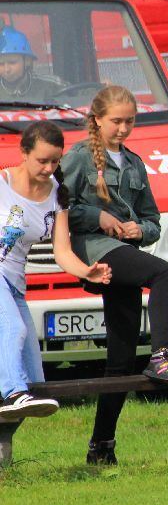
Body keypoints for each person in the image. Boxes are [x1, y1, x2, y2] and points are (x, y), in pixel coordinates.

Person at [62, 85, 168, 466]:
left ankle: (101, 446)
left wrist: (139, 230)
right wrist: (96, 216)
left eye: (129, 121)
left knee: (120, 356)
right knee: (166, 273)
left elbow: (152, 220)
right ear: (97, 119)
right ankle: (163, 356)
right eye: (115, 121)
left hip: (123, 250)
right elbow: (60, 206)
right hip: (94, 249)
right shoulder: (78, 157)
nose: (122, 128)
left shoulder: (134, 163)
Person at [0, 121, 111, 467]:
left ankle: (4, 443)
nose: (49, 169)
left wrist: (86, 270)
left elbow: (61, 252)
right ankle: (12, 392)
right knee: (14, 334)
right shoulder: (2, 183)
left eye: (55, 162)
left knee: (35, 383)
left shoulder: (55, 195)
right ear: (23, 153)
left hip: (14, 283)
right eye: (42, 161)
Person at [0, 26, 61, 101]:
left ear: (27, 61)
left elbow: (76, 101)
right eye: (1, 64)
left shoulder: (51, 84)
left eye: (12, 63)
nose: (7, 70)